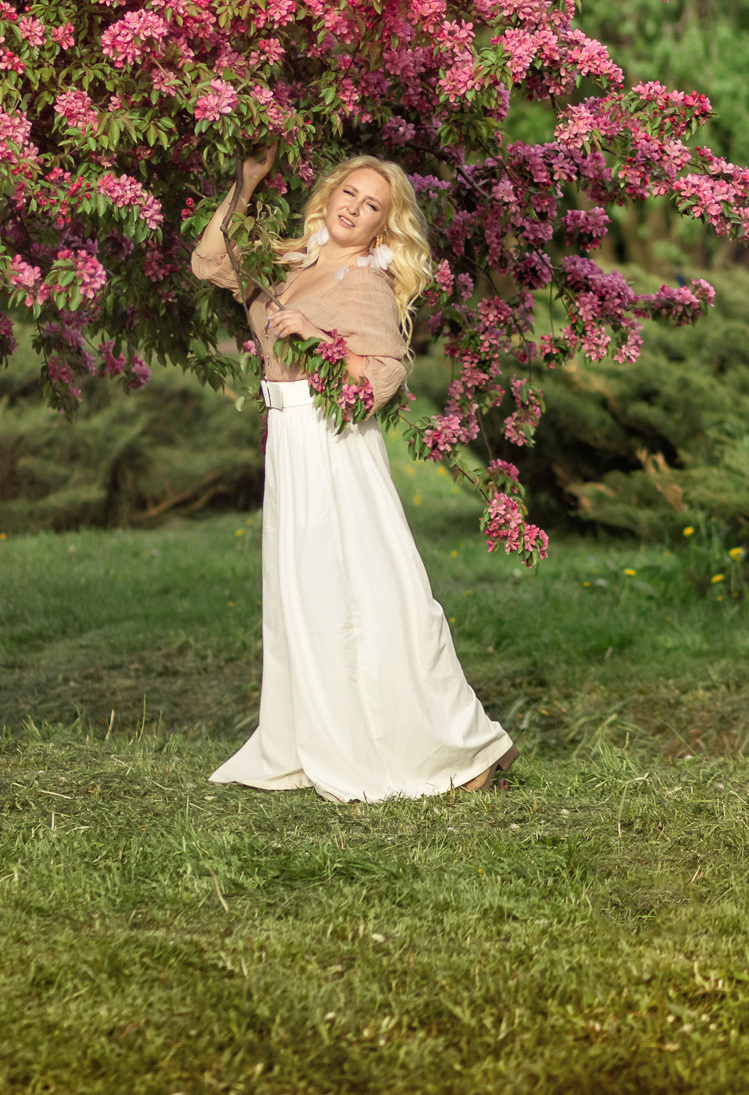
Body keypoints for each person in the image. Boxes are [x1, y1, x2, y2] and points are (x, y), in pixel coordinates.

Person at [190, 147, 518, 802]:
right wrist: (246, 182)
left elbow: (386, 374)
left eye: (372, 206)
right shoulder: (293, 260)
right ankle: (325, 732)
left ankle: (462, 747)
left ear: (381, 227)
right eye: (349, 193)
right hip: (290, 437)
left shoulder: (365, 281)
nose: (354, 208)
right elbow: (209, 262)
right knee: (306, 598)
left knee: (376, 591)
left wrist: (314, 336)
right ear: (329, 193)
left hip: (332, 441)